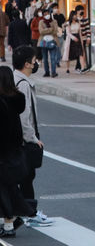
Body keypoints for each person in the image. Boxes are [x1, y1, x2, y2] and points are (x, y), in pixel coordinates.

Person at [12, 45, 52, 228]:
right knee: (27, 176)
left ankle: (21, 212)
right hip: (23, 139)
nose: (36, 63)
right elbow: (24, 116)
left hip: (14, 139)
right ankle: (29, 213)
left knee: (23, 177)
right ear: (27, 64)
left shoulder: (13, 79)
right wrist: (33, 139)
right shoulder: (23, 84)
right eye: (35, 60)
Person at [0, 65, 34, 237]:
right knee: (10, 188)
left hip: (3, 153)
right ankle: (13, 220)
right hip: (14, 152)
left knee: (4, 190)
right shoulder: (16, 100)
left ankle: (9, 224)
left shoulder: (1, 103)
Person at [38, 12, 59, 78]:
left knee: (53, 58)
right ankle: (46, 72)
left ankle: (53, 72)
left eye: (47, 14)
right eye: (45, 14)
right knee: (45, 58)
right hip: (44, 42)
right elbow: (41, 31)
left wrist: (46, 30)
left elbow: (55, 31)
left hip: (53, 41)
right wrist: (50, 29)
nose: (47, 15)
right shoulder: (41, 22)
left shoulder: (54, 21)